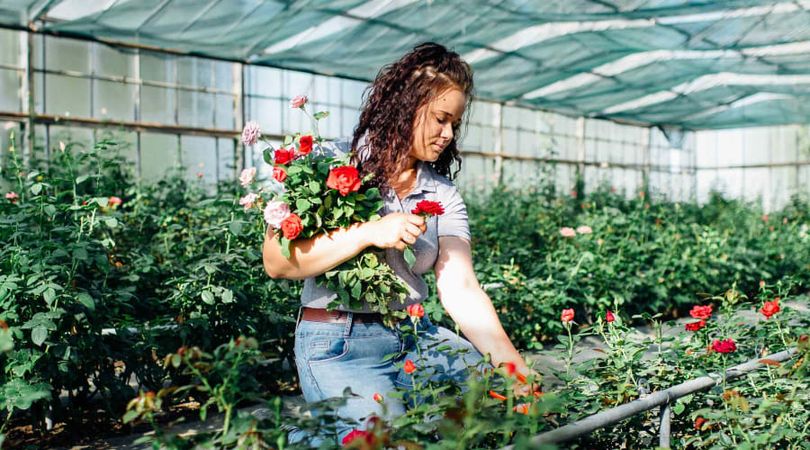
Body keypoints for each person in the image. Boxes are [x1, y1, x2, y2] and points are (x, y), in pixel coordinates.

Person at [262, 42, 530, 443]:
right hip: (338, 342)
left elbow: (461, 288)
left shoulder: (441, 194)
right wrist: (367, 232)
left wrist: (515, 369)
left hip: (413, 333)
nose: (448, 134)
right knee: (380, 442)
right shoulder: (329, 162)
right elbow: (277, 262)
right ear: (408, 104)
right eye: (441, 119)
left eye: (454, 123)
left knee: (491, 404)